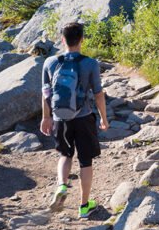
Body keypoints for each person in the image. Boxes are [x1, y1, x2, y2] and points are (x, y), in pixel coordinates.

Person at [40, 22, 109, 218]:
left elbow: (45, 93)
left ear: (62, 39)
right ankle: (84, 206)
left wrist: (46, 117)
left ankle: (62, 186)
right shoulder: (90, 63)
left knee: (65, 155)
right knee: (86, 161)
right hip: (84, 117)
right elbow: (98, 94)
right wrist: (104, 119)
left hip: (60, 117)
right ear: (82, 39)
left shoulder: (50, 63)